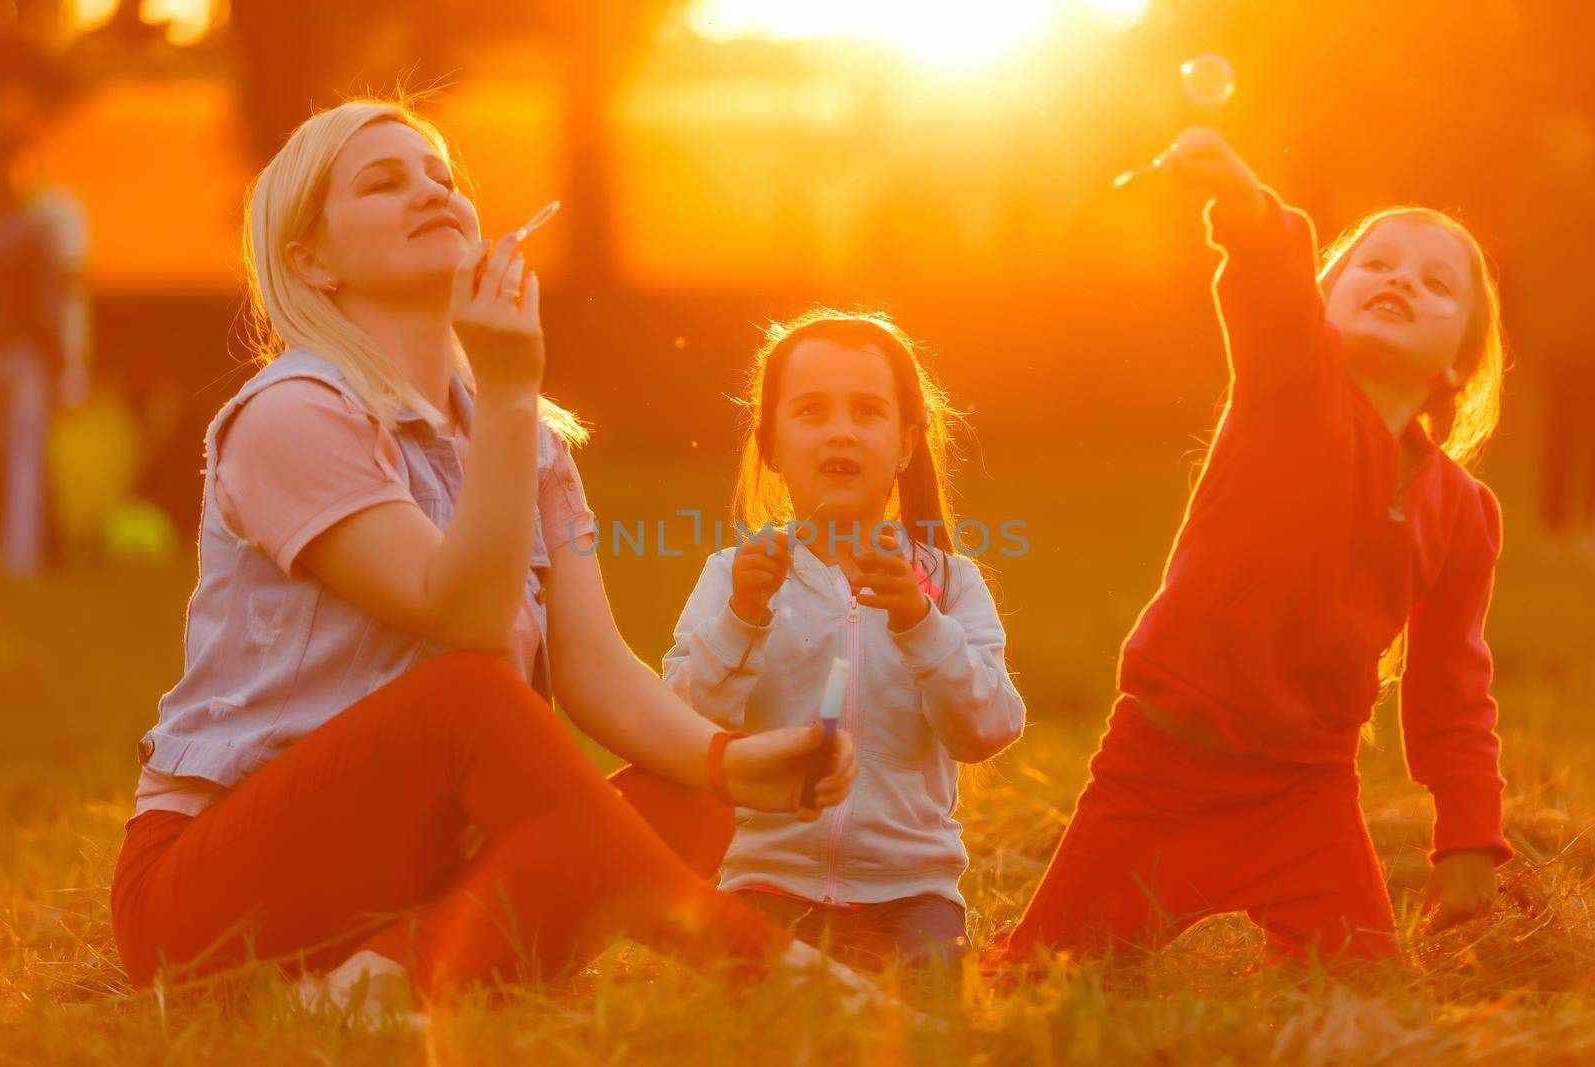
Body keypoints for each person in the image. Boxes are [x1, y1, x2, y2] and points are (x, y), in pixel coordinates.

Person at [109, 99, 878, 1014]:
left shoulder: (532, 442)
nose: (429, 190)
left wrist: (729, 760)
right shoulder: (293, 414)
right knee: (470, 692)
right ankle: (774, 971)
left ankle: (374, 983)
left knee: (690, 797)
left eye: (439, 176)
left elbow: (597, 672)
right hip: (212, 890)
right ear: (311, 258)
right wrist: (512, 386)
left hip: (414, 868)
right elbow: (463, 616)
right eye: (384, 182)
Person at [989, 127, 1511, 968]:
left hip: (1305, 794)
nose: (1401, 281)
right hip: (1160, 769)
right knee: (1044, 976)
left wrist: (1469, 837)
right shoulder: (1289, 382)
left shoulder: (1463, 512)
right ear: (1324, 306)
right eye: (1375, 266)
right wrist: (1244, 209)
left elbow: (1452, 683)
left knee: (1363, 993)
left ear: (1459, 362)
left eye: (1435, 283)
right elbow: (1270, 286)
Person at [664, 309, 1025, 971]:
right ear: (770, 444)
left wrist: (921, 626)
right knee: (750, 998)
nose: (840, 432)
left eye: (866, 411)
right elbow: (683, 718)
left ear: (907, 443)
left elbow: (990, 727)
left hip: (911, 893)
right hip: (765, 880)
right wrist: (743, 616)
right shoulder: (735, 577)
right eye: (811, 411)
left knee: (924, 1009)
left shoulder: (946, 583)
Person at [0, 32, 88, 577]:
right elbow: (53, 301)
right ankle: (22, 561)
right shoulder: (37, 229)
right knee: (24, 462)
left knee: (25, 461)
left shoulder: (36, 228)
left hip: (22, 353)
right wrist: (64, 362)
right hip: (23, 352)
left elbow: (53, 301)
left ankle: (23, 560)